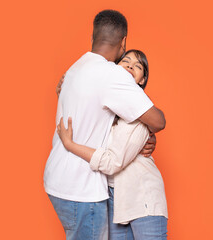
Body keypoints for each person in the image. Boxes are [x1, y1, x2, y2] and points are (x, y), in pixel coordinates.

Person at [43, 10, 166, 240]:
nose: (129, 66)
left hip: (58, 180)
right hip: (81, 189)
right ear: (123, 43)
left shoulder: (75, 68)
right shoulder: (112, 76)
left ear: (93, 36)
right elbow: (158, 120)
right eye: (126, 59)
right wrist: (150, 130)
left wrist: (145, 136)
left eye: (136, 66)